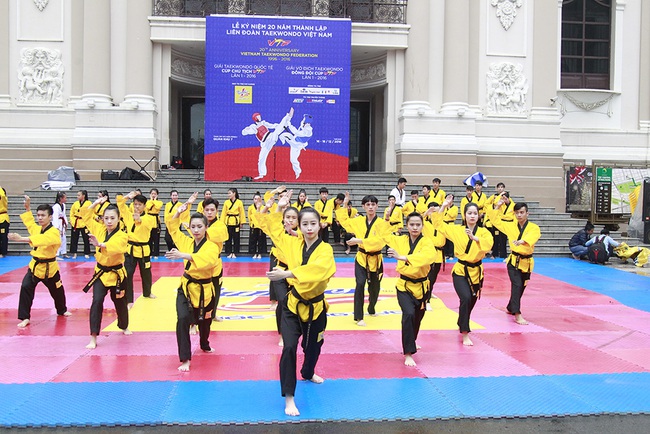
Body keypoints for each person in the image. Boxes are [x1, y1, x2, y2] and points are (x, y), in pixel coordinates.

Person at [261, 190, 336, 417]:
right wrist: (279, 208)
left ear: (320, 225)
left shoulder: (326, 250)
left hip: (316, 307)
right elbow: (272, 228)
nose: (309, 228)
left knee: (313, 347)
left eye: (313, 223)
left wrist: (288, 273)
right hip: (293, 306)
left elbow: (321, 272)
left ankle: (308, 371)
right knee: (290, 348)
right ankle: (289, 397)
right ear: (299, 227)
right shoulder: (291, 243)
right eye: (305, 224)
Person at [165, 204, 220, 372]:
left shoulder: (212, 246)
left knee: (204, 323)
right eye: (193, 226)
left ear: (206, 227)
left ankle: (204, 343)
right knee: (182, 320)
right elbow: (173, 228)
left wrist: (184, 255)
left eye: (199, 226)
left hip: (205, 291)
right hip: (186, 288)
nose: (196, 230)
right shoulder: (186, 242)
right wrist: (177, 213)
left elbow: (208, 261)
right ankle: (185, 359)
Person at [433, 196, 493, 346]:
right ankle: (465, 332)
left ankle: (461, 320)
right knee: (465, 298)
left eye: (474, 213)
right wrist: (443, 206)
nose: (472, 216)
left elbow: (488, 246)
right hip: (460, 270)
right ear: (464, 215)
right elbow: (438, 224)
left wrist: (476, 238)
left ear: (479, 215)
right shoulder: (456, 230)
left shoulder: (484, 233)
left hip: (477, 271)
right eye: (469, 213)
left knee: (471, 301)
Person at [8, 196, 71, 327]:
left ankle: (62, 310)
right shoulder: (37, 229)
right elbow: (30, 224)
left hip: (50, 268)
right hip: (35, 266)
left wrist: (21, 239)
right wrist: (27, 208)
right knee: (25, 287)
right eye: (38, 215)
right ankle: (25, 317)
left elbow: (43, 240)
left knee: (57, 291)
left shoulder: (54, 232)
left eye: (43, 215)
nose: (40, 218)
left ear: (50, 217)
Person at [384, 212, 436, 366]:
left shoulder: (427, 243)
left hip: (422, 287)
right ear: (406, 226)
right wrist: (388, 219)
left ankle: (411, 341)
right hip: (404, 286)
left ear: (422, 226)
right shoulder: (400, 240)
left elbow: (428, 257)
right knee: (408, 314)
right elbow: (383, 235)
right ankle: (408, 352)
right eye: (411, 224)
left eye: (417, 224)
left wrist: (403, 257)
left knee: (418, 318)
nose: (414, 227)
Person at [81, 195, 130, 349]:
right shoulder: (99, 229)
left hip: (117, 275)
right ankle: (93, 336)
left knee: (120, 302)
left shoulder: (122, 235)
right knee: (96, 302)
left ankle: (124, 325)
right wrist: (96, 202)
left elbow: (117, 247)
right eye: (106, 218)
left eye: (112, 218)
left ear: (118, 219)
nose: (109, 221)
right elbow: (85, 215)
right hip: (101, 274)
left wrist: (100, 244)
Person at [336, 192, 392, 326]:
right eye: (368, 204)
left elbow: (381, 241)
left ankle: (371, 307)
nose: (370, 207)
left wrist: (359, 240)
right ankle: (359, 316)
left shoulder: (382, 223)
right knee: (360, 284)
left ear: (377, 206)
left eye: (373, 204)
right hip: (361, 258)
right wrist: (345, 204)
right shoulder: (358, 221)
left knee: (375, 288)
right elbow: (343, 221)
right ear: (363, 206)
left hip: (376, 259)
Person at [487, 199, 541, 325]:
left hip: (527, 263)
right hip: (513, 262)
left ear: (528, 213)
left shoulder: (534, 227)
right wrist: (497, 206)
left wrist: (523, 241)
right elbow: (495, 221)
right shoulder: (510, 226)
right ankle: (517, 313)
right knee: (516, 285)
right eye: (517, 213)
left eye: (522, 212)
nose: (519, 215)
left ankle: (511, 306)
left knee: (521, 287)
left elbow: (533, 237)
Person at [257, 195, 300, 346]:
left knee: (296, 302)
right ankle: (283, 333)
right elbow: (263, 222)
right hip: (279, 270)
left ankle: (294, 329)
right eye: (287, 217)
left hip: (296, 273)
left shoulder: (302, 235)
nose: (290, 220)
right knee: (283, 301)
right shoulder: (278, 232)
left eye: (294, 218)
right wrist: (277, 207)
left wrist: (295, 233)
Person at [117, 191, 157, 309]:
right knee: (128, 274)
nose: (137, 206)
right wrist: (127, 197)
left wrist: (139, 219)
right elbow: (120, 204)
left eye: (139, 204)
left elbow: (144, 225)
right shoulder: (128, 215)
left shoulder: (149, 218)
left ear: (145, 206)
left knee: (146, 273)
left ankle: (147, 292)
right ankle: (129, 299)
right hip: (130, 249)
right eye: (135, 204)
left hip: (144, 249)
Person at [242, 108, 294, 180]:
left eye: (260, 116)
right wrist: (246, 130)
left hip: (271, 137)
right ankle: (262, 174)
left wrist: (279, 126)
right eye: (258, 117)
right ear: (255, 118)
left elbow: (273, 125)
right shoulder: (253, 127)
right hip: (265, 143)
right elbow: (244, 132)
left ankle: (288, 117)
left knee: (277, 130)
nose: (260, 117)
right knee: (261, 158)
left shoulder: (264, 123)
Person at [422, 202, 446, 311]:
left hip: (439, 254)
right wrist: (427, 213)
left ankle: (429, 292)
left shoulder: (442, 224)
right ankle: (426, 300)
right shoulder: (425, 224)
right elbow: (416, 219)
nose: (435, 214)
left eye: (437, 211)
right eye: (433, 212)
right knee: (428, 277)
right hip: (429, 252)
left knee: (434, 277)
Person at [278, 113, 313, 179]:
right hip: (294, 141)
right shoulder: (303, 124)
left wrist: (289, 124)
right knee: (283, 135)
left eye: (304, 119)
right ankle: (283, 141)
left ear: (308, 123)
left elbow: (296, 132)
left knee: (293, 159)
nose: (303, 120)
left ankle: (298, 172)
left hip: (297, 145)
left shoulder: (308, 131)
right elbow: (299, 127)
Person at [485, 183, 514, 259]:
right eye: (499, 187)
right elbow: (495, 203)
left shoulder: (512, 204)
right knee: (496, 238)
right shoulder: (499, 202)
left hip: (508, 223)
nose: (503, 199)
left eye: (502, 187)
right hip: (499, 222)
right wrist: (500, 196)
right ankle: (494, 254)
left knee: (504, 240)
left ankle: (504, 255)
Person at [221, 187, 246, 259]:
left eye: (229, 193)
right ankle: (229, 252)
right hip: (228, 222)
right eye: (228, 193)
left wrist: (242, 222)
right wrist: (222, 223)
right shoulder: (226, 202)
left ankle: (235, 252)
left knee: (236, 238)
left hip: (236, 222)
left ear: (234, 193)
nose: (228, 195)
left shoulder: (239, 202)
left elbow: (242, 213)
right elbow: (223, 213)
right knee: (228, 238)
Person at [69, 189, 91, 259]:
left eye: (79, 195)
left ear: (83, 196)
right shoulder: (75, 203)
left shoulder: (88, 203)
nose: (77, 196)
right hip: (76, 222)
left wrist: (87, 222)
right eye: (77, 195)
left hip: (84, 223)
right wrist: (72, 221)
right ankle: (74, 253)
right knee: (74, 238)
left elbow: (90, 213)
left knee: (86, 238)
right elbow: (71, 213)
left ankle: (87, 253)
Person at [248, 192, 267, 259]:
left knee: (261, 240)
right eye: (255, 199)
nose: (256, 200)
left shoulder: (264, 207)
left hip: (261, 226)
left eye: (258, 199)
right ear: (253, 199)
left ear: (261, 199)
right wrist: (251, 224)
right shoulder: (250, 207)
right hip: (253, 226)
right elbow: (249, 217)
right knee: (253, 240)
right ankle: (254, 253)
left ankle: (260, 253)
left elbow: (264, 216)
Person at [146, 188, 163, 258]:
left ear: (157, 195)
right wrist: (151, 200)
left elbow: (158, 207)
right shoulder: (147, 202)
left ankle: (156, 253)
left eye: (155, 194)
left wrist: (154, 200)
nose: (153, 195)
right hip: (149, 219)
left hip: (156, 220)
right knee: (149, 238)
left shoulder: (159, 202)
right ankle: (149, 253)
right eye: (152, 194)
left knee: (156, 238)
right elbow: (148, 207)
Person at [52, 191, 68, 259]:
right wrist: (56, 227)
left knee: (63, 238)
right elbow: (55, 217)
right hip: (57, 223)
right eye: (65, 197)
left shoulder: (63, 205)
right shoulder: (56, 206)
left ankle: (64, 253)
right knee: (58, 239)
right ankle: (56, 254)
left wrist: (66, 223)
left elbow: (64, 215)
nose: (66, 199)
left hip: (62, 223)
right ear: (61, 198)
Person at [442, 194, 458, 259]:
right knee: (444, 240)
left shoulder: (455, 208)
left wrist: (448, 207)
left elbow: (452, 215)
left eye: (450, 198)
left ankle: (451, 254)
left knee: (450, 240)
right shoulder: (443, 207)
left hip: (451, 224)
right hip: (444, 224)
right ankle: (446, 254)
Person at [0, 185, 10, 258]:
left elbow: (2, 196)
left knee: (3, 236)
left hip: (3, 219)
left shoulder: (3, 199)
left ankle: (3, 252)